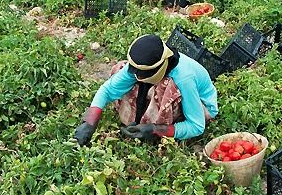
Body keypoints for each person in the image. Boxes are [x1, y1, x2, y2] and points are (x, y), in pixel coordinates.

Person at [73, 34, 218, 145]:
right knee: (120, 69)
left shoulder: (184, 78)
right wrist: (90, 122)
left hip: (200, 108)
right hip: (163, 85)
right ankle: (141, 120)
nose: (136, 75)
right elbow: (108, 90)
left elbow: (196, 126)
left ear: (158, 69)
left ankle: (151, 128)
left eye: (141, 74)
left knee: (167, 88)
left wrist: (156, 130)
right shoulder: (143, 67)